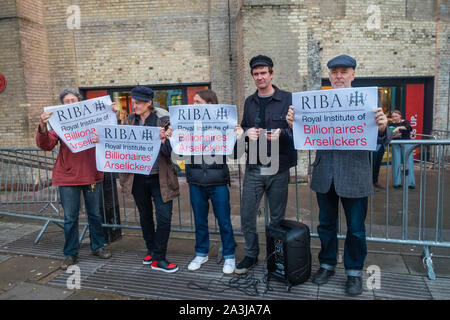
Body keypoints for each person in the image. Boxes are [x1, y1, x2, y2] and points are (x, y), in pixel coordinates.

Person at [286, 54, 391, 296]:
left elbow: (380, 140)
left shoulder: (366, 102)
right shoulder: (317, 102)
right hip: (325, 174)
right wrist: (293, 126)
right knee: (326, 225)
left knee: (355, 228)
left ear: (353, 74)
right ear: (330, 76)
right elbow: (302, 138)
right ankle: (327, 264)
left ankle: (354, 272)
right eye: (334, 72)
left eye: (344, 71)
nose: (339, 76)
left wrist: (383, 129)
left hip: (355, 174)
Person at [36, 88, 112, 270]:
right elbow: (46, 145)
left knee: (94, 214)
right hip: (68, 177)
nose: (70, 103)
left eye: (73, 100)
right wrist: (43, 126)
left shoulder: (94, 120)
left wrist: (112, 118)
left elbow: (111, 135)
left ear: (79, 102)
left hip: (92, 173)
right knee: (70, 217)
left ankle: (98, 247)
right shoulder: (57, 124)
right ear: (62, 105)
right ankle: (70, 253)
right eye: (66, 101)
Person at [235, 55, 297, 274]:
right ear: (253, 76)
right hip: (254, 168)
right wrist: (245, 133)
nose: (260, 77)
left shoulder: (288, 98)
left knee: (277, 219)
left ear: (271, 74)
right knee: (247, 215)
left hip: (279, 168)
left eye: (263, 73)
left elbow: (300, 132)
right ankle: (251, 255)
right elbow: (241, 130)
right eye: (256, 74)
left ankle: (275, 258)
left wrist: (285, 133)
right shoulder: (249, 102)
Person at [116, 86, 180, 273]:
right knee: (145, 216)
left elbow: (173, 153)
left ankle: (159, 257)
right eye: (133, 102)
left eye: (138, 103)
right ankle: (152, 250)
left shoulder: (164, 121)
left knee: (164, 217)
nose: (134, 105)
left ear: (149, 103)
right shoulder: (129, 120)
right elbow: (119, 145)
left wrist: (163, 141)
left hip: (159, 178)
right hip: (137, 179)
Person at [183, 89, 237, 274]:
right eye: (194, 102)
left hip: (218, 180)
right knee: (199, 220)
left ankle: (229, 256)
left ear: (210, 104)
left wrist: (236, 137)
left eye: (198, 102)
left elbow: (234, 153)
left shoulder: (224, 124)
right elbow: (180, 151)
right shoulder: (188, 125)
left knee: (224, 221)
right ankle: (201, 252)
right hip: (196, 180)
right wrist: (173, 136)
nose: (194, 105)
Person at [389, 109, 415, 189]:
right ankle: (396, 183)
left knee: (408, 163)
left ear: (400, 116)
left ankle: (410, 183)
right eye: (393, 116)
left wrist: (398, 128)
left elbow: (409, 128)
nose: (394, 118)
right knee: (396, 163)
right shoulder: (389, 124)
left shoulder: (405, 122)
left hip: (406, 144)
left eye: (396, 116)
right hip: (396, 144)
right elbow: (388, 134)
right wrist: (394, 136)